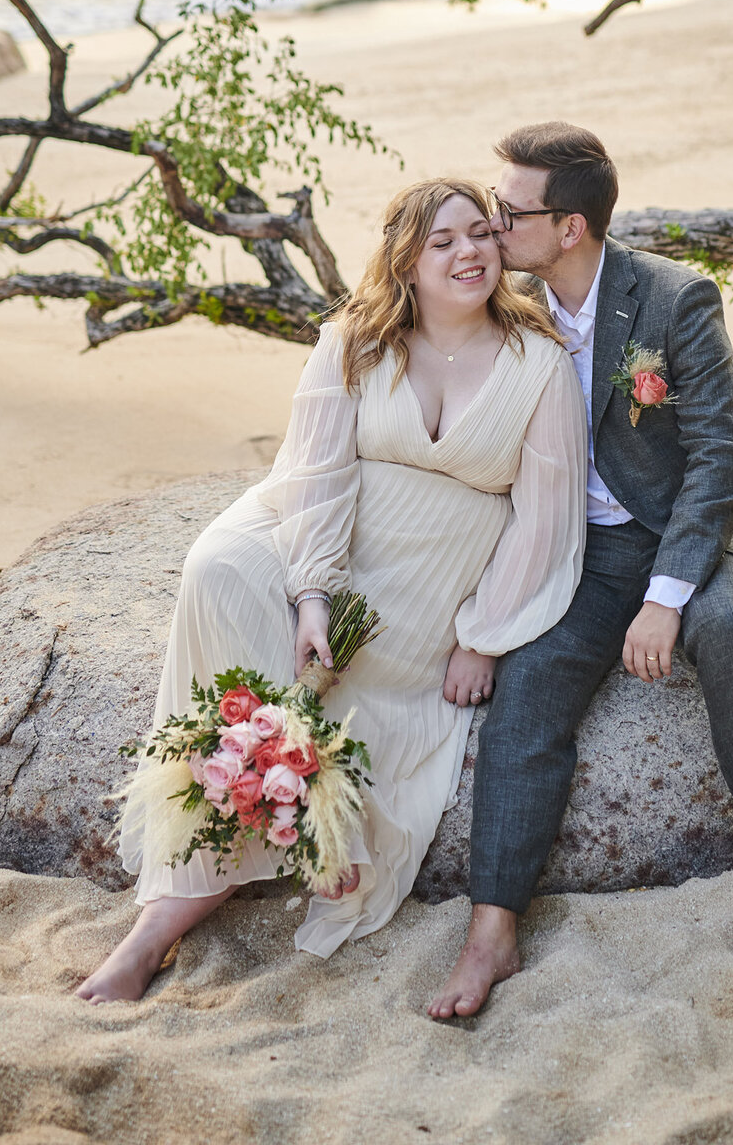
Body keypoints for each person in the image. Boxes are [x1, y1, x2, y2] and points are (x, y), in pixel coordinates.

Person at [77, 178, 587, 1003]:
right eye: (442, 241)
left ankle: (306, 823)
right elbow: (315, 472)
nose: (469, 254)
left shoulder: (539, 366)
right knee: (217, 572)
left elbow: (546, 519)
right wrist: (313, 591)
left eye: (479, 236)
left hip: (427, 575)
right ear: (407, 262)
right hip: (320, 532)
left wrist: (481, 633)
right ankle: (170, 912)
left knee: (352, 683)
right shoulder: (358, 338)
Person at [429, 123, 733, 1021]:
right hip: (590, 548)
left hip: (700, 527)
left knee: (727, 628)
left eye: (508, 212)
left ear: (569, 228)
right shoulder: (509, 307)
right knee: (527, 686)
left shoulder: (675, 299)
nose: (491, 227)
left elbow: (723, 457)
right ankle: (493, 928)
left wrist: (665, 598)